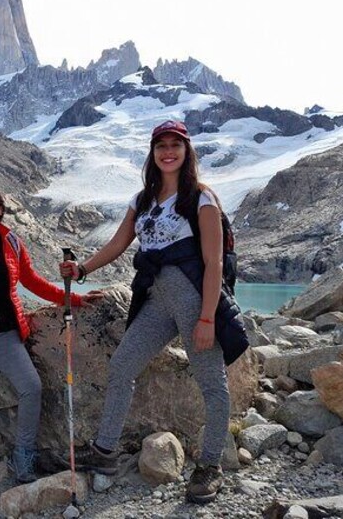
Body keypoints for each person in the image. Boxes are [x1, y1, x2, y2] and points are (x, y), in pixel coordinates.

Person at [60, 120, 244, 504]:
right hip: (156, 298)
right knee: (122, 366)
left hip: (194, 299)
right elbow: (119, 243)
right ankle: (105, 452)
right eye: (161, 145)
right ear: (152, 152)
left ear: (186, 151)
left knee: (211, 383)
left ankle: (210, 465)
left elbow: (212, 264)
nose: (168, 151)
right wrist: (82, 270)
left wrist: (208, 316)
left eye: (175, 144)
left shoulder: (202, 199)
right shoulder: (142, 200)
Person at [0, 182, 98, 498]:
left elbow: (32, 281)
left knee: (31, 387)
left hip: (4, 333)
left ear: (1, 209)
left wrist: (73, 299)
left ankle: (23, 456)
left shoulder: (11, 242)